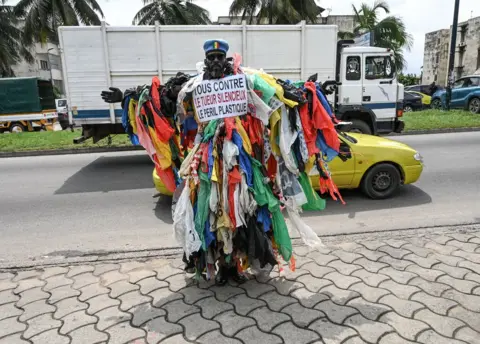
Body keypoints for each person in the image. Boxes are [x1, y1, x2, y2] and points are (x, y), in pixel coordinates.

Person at [101, 38, 347, 287]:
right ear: (206, 61)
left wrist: (311, 91)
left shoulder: (244, 80)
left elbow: (280, 93)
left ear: (227, 60)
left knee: (242, 213)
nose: (216, 62)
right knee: (211, 213)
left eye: (220, 57)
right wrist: (126, 97)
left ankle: (236, 264)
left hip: (241, 162)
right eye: (212, 58)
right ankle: (219, 265)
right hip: (206, 164)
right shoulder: (194, 86)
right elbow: (159, 99)